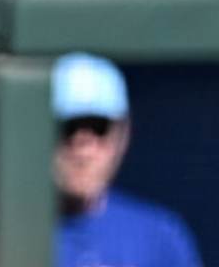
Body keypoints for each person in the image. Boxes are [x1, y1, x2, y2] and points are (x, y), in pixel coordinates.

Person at [52, 52, 202, 267]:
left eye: (98, 127)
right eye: (69, 128)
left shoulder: (160, 239)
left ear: (122, 134)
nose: (83, 151)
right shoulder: (6, 230)